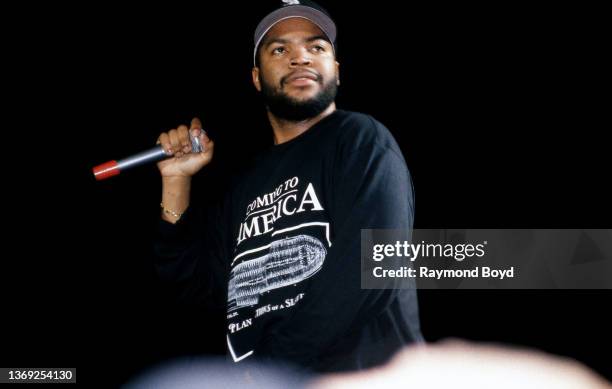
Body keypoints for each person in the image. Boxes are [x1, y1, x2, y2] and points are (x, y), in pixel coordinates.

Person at [153, 0, 423, 373]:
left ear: (337, 71)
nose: (301, 58)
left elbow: (372, 267)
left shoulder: (361, 140)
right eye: (280, 49)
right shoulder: (244, 184)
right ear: (256, 77)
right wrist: (177, 180)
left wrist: (270, 371)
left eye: (316, 47)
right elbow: (195, 290)